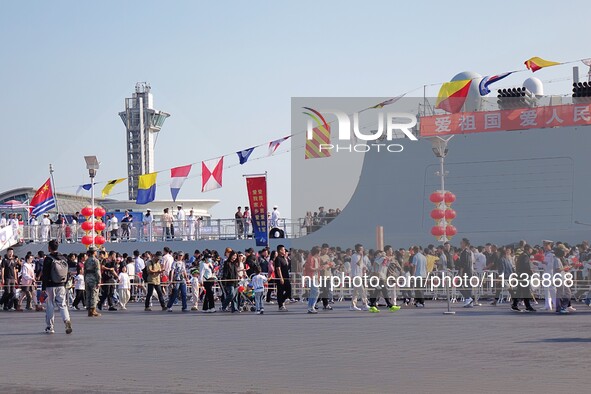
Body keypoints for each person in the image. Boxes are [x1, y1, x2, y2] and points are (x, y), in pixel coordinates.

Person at [41, 239, 72, 334]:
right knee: (63, 305)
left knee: (50, 305)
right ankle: (67, 321)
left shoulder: (48, 259)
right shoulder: (63, 258)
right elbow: (67, 272)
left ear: (49, 248)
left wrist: (43, 288)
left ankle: (50, 327)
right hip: (61, 285)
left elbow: (45, 274)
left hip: (50, 285)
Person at [511, 244, 536, 312]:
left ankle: (515, 304)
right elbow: (525, 266)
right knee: (525, 291)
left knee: (520, 291)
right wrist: (530, 272)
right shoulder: (525, 256)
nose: (531, 250)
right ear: (528, 249)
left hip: (520, 275)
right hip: (524, 275)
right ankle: (527, 306)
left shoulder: (522, 255)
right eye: (531, 249)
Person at [350, 244, 370, 311]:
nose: (361, 251)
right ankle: (365, 304)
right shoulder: (354, 256)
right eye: (360, 249)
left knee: (356, 292)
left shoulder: (360, 256)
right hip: (355, 276)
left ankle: (353, 305)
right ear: (356, 250)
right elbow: (358, 263)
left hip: (359, 275)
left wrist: (365, 268)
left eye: (362, 249)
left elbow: (362, 265)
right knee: (362, 290)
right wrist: (361, 256)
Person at [84, 247, 101, 317]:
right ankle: (93, 310)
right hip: (93, 279)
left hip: (87, 278)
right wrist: (99, 280)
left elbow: (84, 270)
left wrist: (85, 279)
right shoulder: (96, 260)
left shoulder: (87, 260)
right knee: (94, 294)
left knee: (88, 294)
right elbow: (97, 271)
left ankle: (89, 310)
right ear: (94, 252)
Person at [457, 238, 475, 308]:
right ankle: (469, 301)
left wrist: (461, 273)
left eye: (461, 243)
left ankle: (468, 298)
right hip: (469, 271)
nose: (460, 244)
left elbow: (463, 263)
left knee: (458, 284)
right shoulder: (470, 252)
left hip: (465, 272)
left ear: (465, 244)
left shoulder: (464, 252)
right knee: (468, 286)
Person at [304, 246, 320, 314]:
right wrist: (317, 269)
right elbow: (309, 267)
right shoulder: (310, 258)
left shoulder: (317, 258)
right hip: (311, 277)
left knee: (314, 292)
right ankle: (311, 306)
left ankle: (311, 306)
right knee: (316, 291)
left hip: (315, 277)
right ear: (317, 252)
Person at [274, 245, 291, 311]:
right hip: (281, 278)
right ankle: (280, 305)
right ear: (280, 250)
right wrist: (281, 278)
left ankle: (282, 300)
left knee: (289, 291)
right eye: (283, 250)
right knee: (280, 291)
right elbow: (278, 269)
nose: (284, 251)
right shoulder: (278, 258)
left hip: (286, 278)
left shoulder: (283, 258)